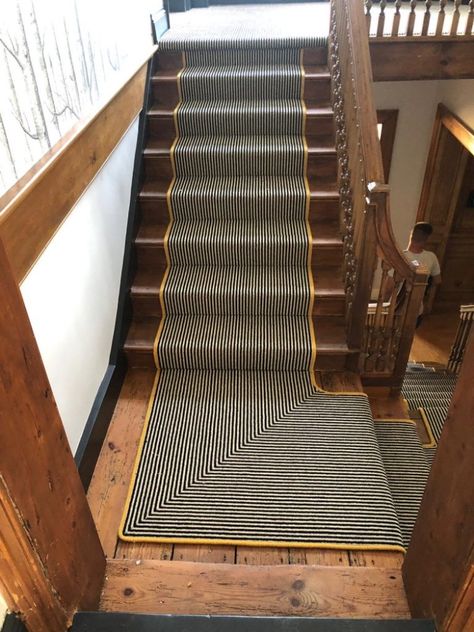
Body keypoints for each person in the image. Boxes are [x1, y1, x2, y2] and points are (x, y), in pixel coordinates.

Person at [403, 222, 441, 327]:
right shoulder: (431, 257)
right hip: (417, 307)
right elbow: (437, 281)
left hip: (398, 306)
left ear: (411, 234)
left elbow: (389, 284)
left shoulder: (400, 256)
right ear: (427, 239)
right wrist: (427, 300)